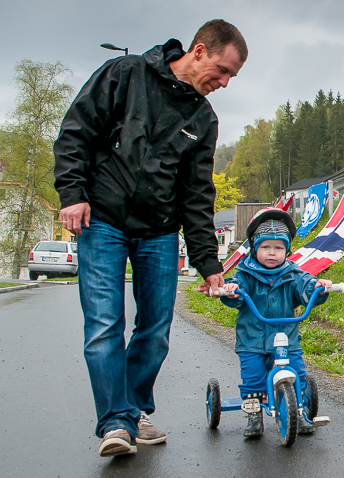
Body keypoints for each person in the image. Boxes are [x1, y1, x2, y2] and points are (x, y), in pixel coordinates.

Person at [53, 20, 247, 457]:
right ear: (198, 51)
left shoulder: (203, 118)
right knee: (104, 326)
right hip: (101, 219)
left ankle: (133, 410)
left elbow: (198, 197)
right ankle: (115, 424)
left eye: (231, 77)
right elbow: (75, 132)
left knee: (155, 330)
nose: (224, 83)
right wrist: (72, 193)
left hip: (159, 231)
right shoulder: (124, 73)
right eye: (222, 70)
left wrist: (209, 264)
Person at [219, 208, 332, 438]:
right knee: (253, 377)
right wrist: (231, 291)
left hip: (285, 337)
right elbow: (235, 289)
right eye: (266, 247)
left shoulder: (293, 273)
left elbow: (305, 286)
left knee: (297, 373)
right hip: (253, 338)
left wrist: (317, 288)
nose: (272, 253)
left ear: (287, 250)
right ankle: (253, 414)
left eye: (279, 248)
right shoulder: (246, 273)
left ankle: (299, 411)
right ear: (255, 248)